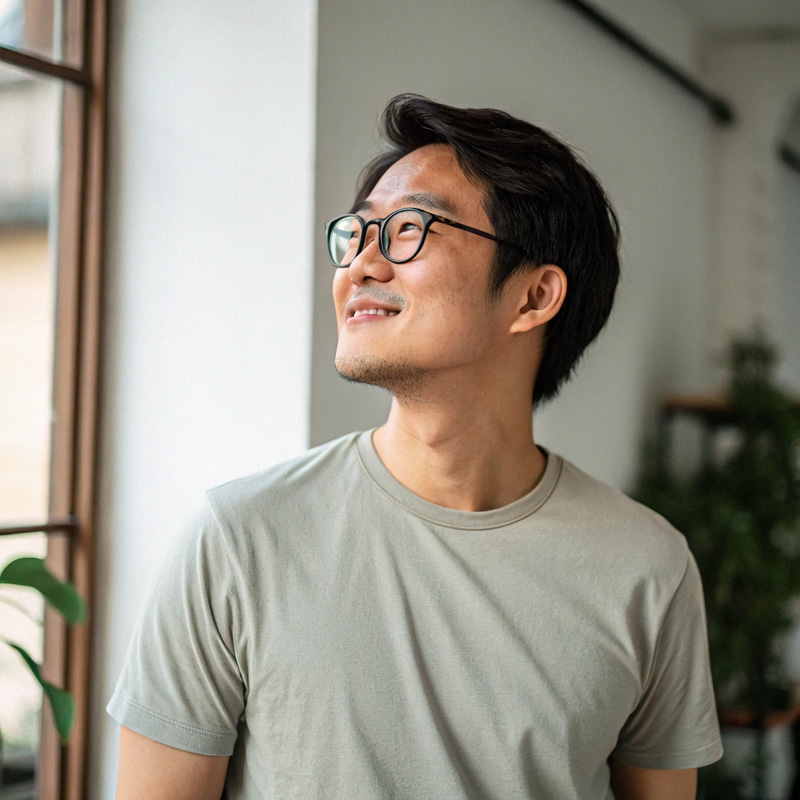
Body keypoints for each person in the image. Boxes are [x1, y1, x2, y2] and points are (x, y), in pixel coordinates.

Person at [109, 94, 722, 799]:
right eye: (357, 235)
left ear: (534, 297)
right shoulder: (239, 540)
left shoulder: (647, 567)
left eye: (408, 229)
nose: (360, 267)